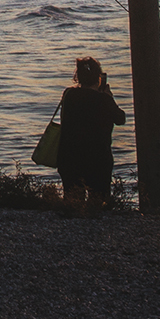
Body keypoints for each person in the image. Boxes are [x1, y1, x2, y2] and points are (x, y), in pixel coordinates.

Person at [57, 55, 125, 216]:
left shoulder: (68, 95)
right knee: (98, 203)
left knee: (72, 202)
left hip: (69, 158)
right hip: (97, 161)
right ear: (98, 78)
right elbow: (120, 119)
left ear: (77, 77)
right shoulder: (104, 100)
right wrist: (109, 97)